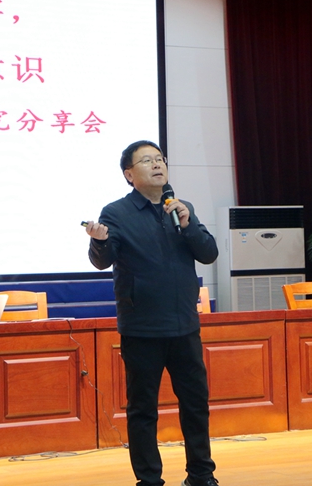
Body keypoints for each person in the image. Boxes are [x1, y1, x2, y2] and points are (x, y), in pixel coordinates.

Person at [85, 140, 220, 486]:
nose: (157, 165)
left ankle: (201, 475)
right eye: (147, 160)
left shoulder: (181, 208)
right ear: (129, 175)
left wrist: (188, 225)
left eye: (160, 159)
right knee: (143, 409)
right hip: (142, 327)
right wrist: (99, 240)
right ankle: (149, 480)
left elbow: (208, 253)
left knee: (195, 403)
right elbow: (102, 260)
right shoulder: (117, 213)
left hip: (184, 325)